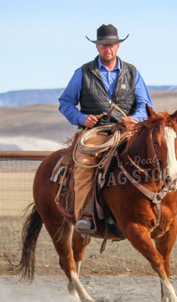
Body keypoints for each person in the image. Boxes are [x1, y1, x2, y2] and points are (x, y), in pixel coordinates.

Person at [58, 24, 154, 234]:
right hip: (96, 132)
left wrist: (134, 118)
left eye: (110, 45)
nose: (107, 49)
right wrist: (82, 118)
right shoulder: (83, 72)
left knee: (154, 156)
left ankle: (163, 210)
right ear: (97, 47)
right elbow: (65, 103)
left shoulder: (132, 72)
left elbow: (146, 107)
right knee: (84, 161)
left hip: (127, 130)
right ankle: (85, 214)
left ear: (118, 46)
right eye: (102, 45)